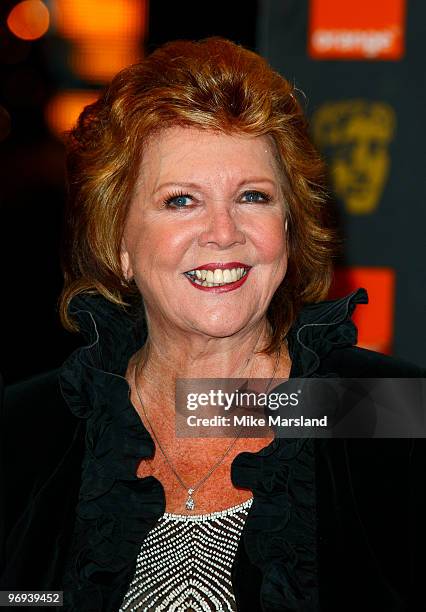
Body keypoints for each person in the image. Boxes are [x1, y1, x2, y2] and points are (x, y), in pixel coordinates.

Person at [1, 37, 424, 612]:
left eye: (252, 196)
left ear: (289, 228)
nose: (223, 232)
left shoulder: (385, 412)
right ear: (118, 242)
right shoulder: (28, 431)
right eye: (181, 201)